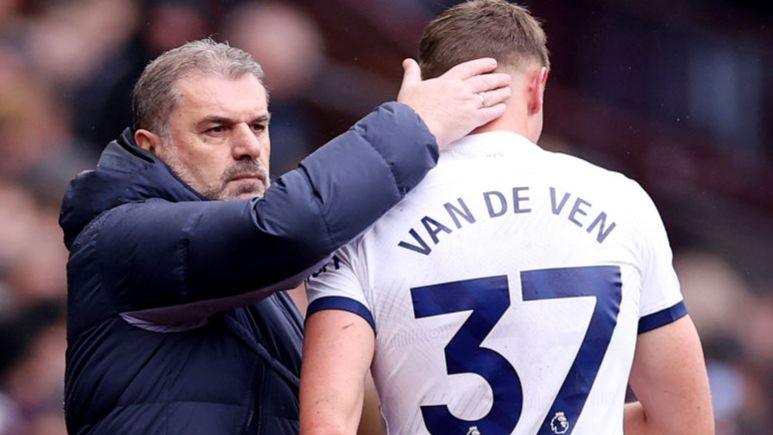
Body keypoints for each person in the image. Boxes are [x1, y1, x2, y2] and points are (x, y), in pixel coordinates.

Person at [58, 38, 513, 434]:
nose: (249, 147)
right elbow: (286, 229)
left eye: (258, 125)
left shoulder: (256, 276)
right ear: (150, 146)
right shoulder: (120, 236)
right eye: (216, 129)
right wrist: (414, 124)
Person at [300, 1, 714, 434]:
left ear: (422, 85)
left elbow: (327, 422)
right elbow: (685, 424)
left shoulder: (365, 217)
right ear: (538, 87)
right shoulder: (622, 202)